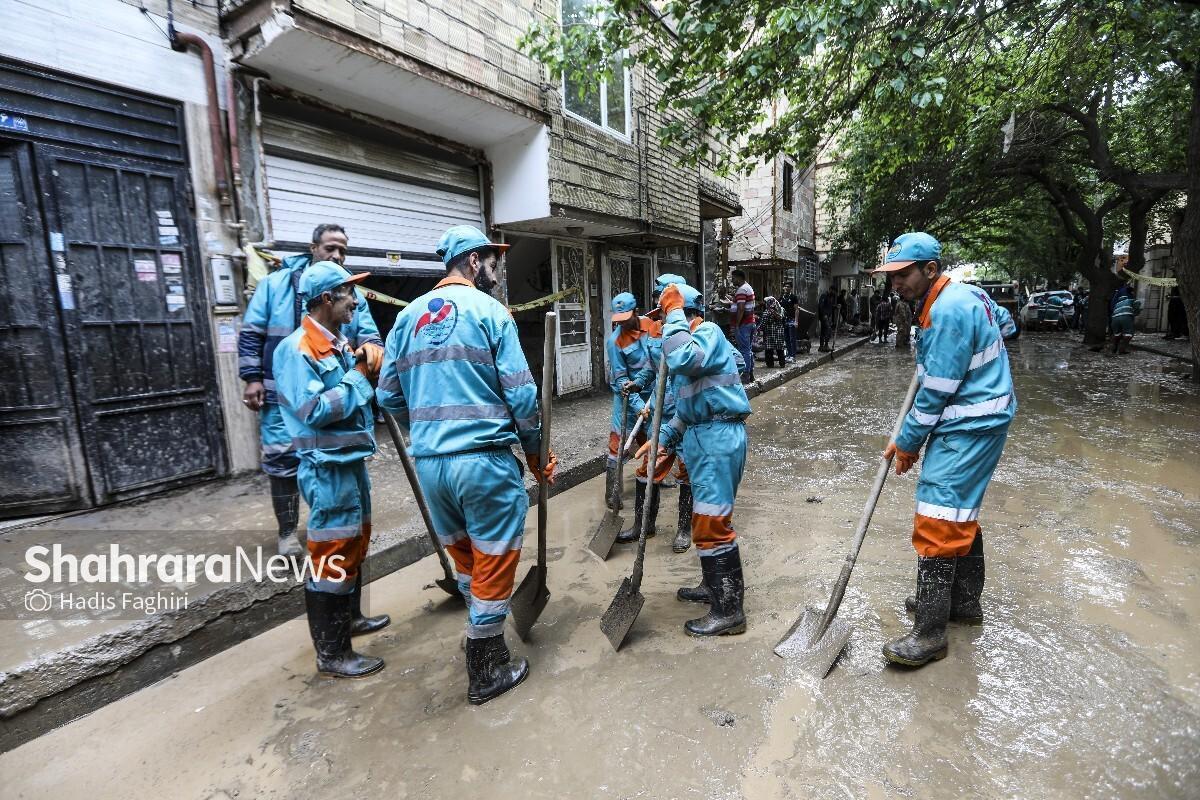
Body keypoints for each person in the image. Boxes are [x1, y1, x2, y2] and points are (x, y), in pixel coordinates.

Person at [376, 225, 557, 705]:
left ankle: (483, 628)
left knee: (468, 560)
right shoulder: (490, 312)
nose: (496, 269)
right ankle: (485, 670)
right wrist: (535, 453)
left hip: (432, 467)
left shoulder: (406, 319)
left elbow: (387, 396)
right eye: (491, 260)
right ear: (473, 262)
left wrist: (429, 423)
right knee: (495, 561)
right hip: (483, 462)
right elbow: (522, 395)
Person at [875, 232, 1016, 668]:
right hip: (983, 416)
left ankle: (931, 633)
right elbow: (1007, 323)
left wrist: (906, 444)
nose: (895, 284)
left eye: (902, 275)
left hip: (969, 424)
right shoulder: (965, 296)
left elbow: (934, 393)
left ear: (930, 270)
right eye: (891, 276)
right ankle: (962, 605)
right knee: (960, 513)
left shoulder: (947, 312)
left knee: (938, 516)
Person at [239, 224, 384, 559]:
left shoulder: (346, 289)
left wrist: (372, 352)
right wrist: (252, 377)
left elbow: (367, 331)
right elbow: (251, 332)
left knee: (327, 464)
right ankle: (288, 534)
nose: (337, 255)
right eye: (331, 247)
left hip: (333, 387)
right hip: (281, 392)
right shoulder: (276, 284)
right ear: (313, 247)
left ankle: (333, 531)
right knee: (282, 459)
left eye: (343, 250)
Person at [273, 261, 389, 678]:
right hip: (326, 470)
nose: (355, 302)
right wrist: (360, 376)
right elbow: (315, 409)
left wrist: (363, 362)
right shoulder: (296, 350)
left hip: (350, 463)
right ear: (326, 299)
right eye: (347, 295)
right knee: (331, 555)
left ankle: (352, 619)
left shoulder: (336, 344)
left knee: (355, 544)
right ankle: (333, 654)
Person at [639, 281, 752, 636]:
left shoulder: (707, 333)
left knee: (712, 523)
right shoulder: (687, 344)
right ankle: (712, 586)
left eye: (665, 318)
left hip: (718, 438)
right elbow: (688, 409)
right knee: (707, 520)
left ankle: (729, 611)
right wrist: (665, 439)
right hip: (703, 435)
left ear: (685, 313)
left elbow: (681, 356)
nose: (659, 327)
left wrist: (672, 313)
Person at [621, 274, 692, 553]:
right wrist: (638, 383)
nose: (658, 304)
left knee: (686, 474)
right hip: (662, 418)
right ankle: (643, 524)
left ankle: (684, 530)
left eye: (662, 298)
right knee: (646, 469)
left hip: (685, 418)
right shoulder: (656, 330)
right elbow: (653, 367)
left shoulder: (690, 332)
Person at [604, 292, 651, 508]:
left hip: (652, 394)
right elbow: (621, 380)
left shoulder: (650, 326)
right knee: (619, 445)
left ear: (637, 313)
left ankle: (653, 479)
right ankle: (613, 495)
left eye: (626, 319)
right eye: (618, 320)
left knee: (654, 440)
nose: (622, 324)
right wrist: (638, 406)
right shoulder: (615, 342)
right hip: (626, 398)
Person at [730, 269, 757, 384]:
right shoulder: (748, 287)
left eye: (733, 278)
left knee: (744, 350)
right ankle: (750, 373)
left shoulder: (741, 289)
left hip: (744, 324)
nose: (732, 280)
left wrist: (736, 324)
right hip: (750, 322)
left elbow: (741, 308)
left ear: (739, 278)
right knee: (748, 350)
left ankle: (745, 374)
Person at [1109, 279, 1141, 354]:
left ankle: (1114, 348)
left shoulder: (1118, 301)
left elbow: (1112, 307)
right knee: (1128, 334)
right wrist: (1135, 313)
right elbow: (1137, 304)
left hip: (1114, 317)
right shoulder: (1131, 299)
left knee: (1117, 334)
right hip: (1126, 317)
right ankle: (1122, 349)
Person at [757, 296, 788, 368]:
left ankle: (770, 365)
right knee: (780, 349)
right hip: (780, 333)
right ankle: (782, 364)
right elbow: (784, 320)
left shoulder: (767, 312)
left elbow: (763, 324)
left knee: (769, 350)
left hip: (769, 334)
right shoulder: (781, 310)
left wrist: (757, 330)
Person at [780, 282, 800, 360]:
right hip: (784, 321)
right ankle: (788, 355)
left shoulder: (793, 297)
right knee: (786, 338)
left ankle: (793, 356)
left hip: (791, 320)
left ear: (791, 288)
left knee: (792, 339)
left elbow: (797, 309)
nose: (786, 288)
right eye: (785, 286)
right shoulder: (781, 298)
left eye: (788, 287)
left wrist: (796, 321)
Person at [817, 286, 837, 352]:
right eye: (833, 291)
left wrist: (836, 306)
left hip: (827, 316)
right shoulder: (824, 295)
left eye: (835, 292)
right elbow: (821, 306)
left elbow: (830, 306)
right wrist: (824, 315)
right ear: (830, 289)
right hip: (824, 317)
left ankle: (821, 347)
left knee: (823, 331)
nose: (834, 293)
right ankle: (825, 345)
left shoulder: (830, 297)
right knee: (828, 330)